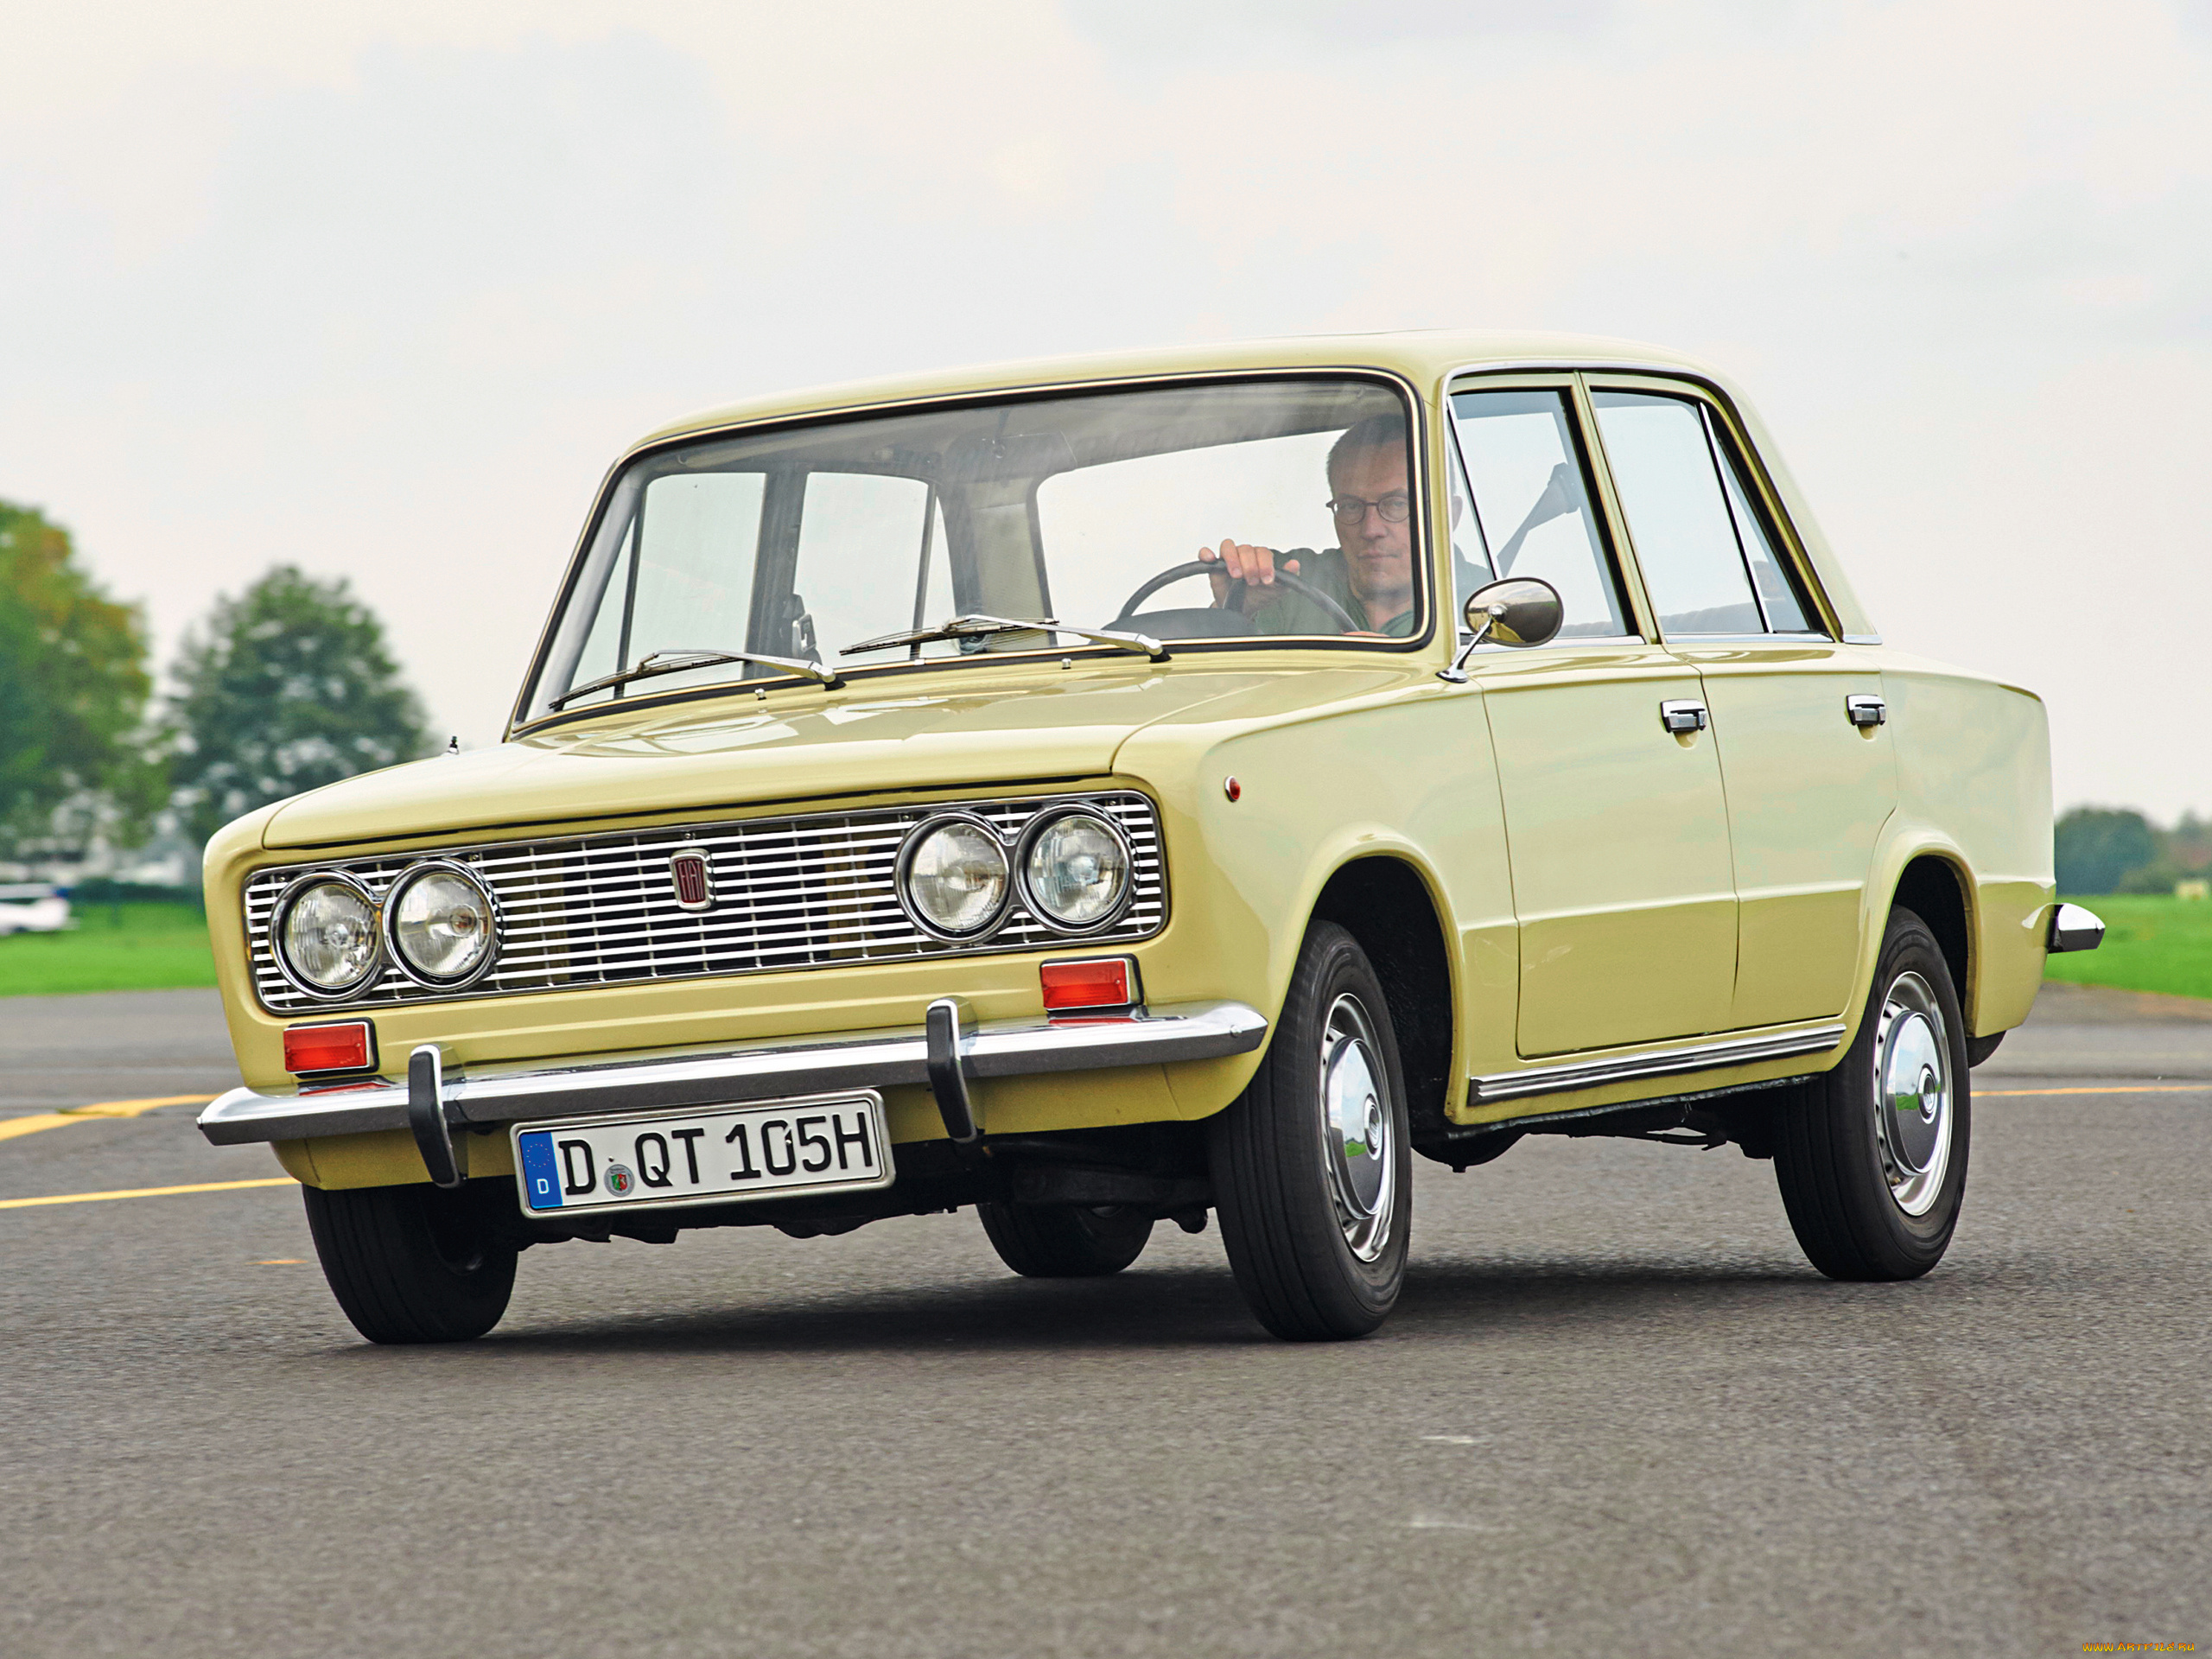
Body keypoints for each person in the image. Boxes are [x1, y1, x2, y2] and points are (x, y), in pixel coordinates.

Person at [1198, 412, 1421, 637]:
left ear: (1441, 509)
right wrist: (1234, 610)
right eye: (1351, 506)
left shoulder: (1446, 606)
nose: (1371, 530)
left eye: (1397, 504)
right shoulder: (1282, 581)